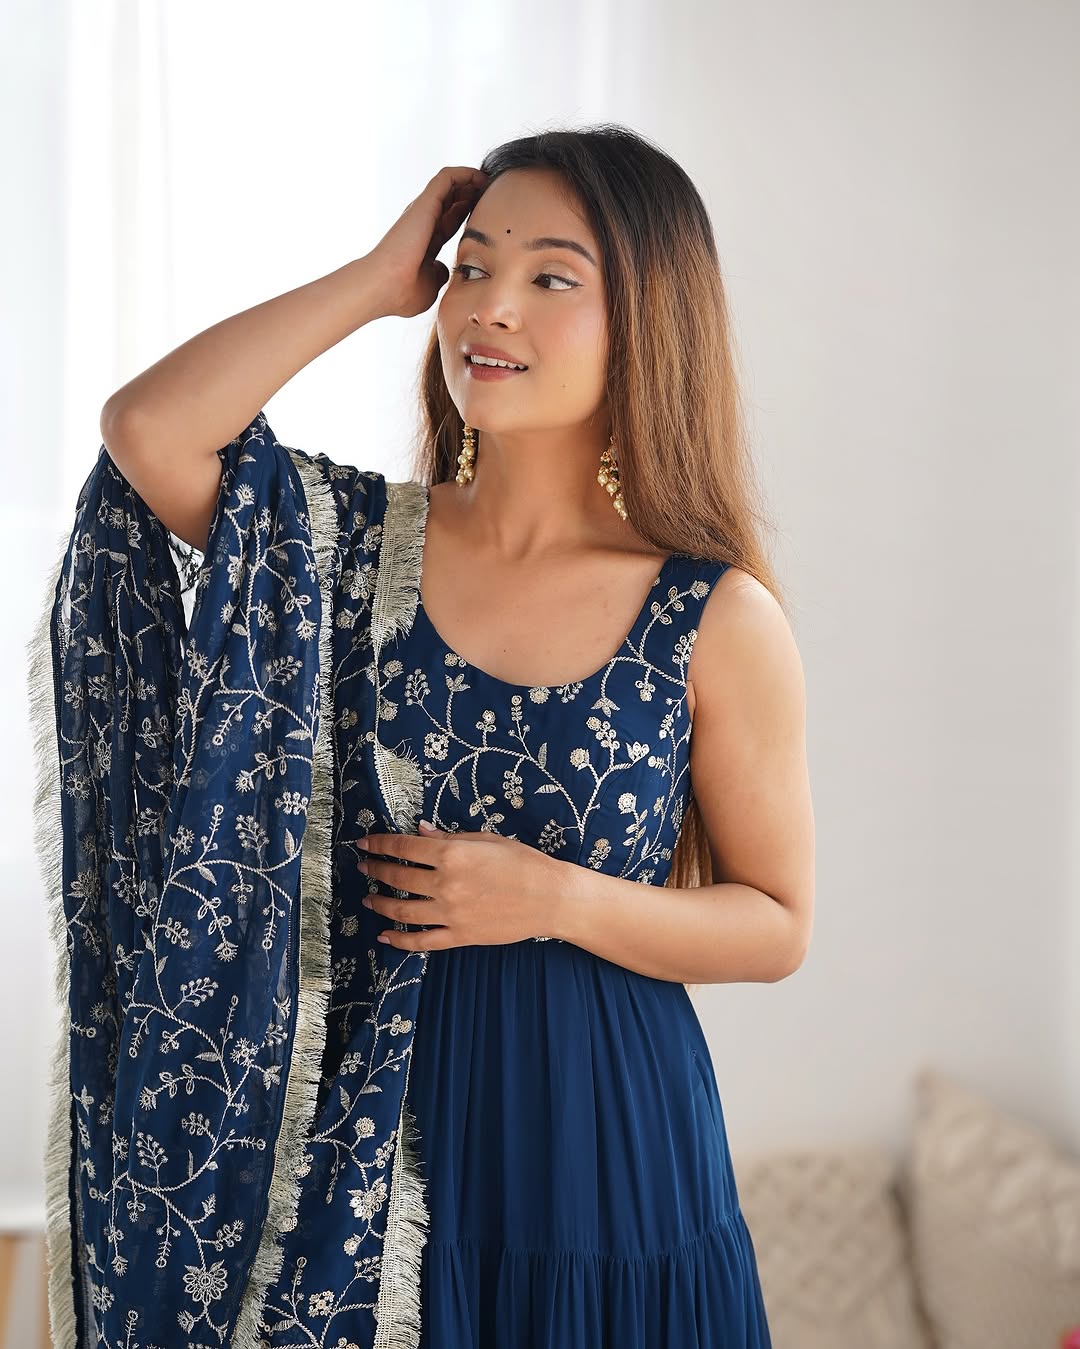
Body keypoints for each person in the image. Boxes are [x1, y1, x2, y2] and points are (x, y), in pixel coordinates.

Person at [35, 124, 813, 1348]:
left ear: (647, 323)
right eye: (474, 266)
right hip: (363, 1140)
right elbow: (149, 430)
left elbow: (776, 922)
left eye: (550, 276)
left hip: (604, 1142)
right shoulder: (345, 547)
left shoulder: (712, 613)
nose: (490, 306)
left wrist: (551, 896)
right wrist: (376, 278)